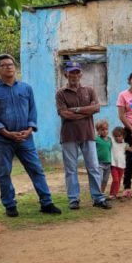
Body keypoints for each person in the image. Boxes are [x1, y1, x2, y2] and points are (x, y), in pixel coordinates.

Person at [0, 54, 62, 217]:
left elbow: (32, 110)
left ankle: (46, 203)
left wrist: (30, 129)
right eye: (4, 65)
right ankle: (10, 205)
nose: (9, 67)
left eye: (11, 64)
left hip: (26, 138)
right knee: (4, 172)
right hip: (2, 140)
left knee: (36, 169)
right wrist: (6, 133)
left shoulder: (26, 88)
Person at [55, 61, 110, 210]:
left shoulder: (89, 90)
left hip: (88, 134)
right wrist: (86, 112)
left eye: (76, 72)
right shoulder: (61, 93)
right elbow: (64, 114)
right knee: (71, 169)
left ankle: (98, 197)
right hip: (68, 136)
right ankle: (73, 199)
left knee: (93, 167)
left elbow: (96, 107)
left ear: (81, 74)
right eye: (71, 72)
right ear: (66, 74)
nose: (74, 75)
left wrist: (76, 110)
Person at [109, 127, 129, 200]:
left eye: (119, 136)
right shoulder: (112, 141)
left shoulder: (125, 145)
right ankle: (111, 194)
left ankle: (115, 193)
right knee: (116, 180)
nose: (117, 138)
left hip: (121, 165)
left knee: (119, 180)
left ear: (123, 136)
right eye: (116, 136)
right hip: (113, 164)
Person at [95, 120, 112, 194]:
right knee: (100, 179)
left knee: (105, 180)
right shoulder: (96, 139)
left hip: (108, 164)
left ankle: (102, 193)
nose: (105, 131)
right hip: (99, 164)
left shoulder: (110, 140)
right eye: (102, 130)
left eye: (106, 129)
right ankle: (98, 194)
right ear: (98, 131)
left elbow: (110, 150)